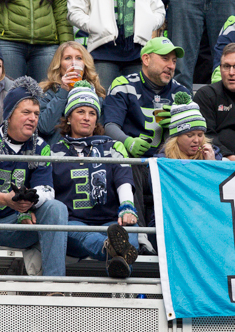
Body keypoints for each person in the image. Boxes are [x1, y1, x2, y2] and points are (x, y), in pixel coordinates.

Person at [0, 77, 68, 277]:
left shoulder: (41, 147)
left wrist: (28, 204)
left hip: (19, 226)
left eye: (36, 114)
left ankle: (54, 285)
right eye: (26, 112)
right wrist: (4, 199)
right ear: (9, 115)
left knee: (56, 208)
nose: (33, 118)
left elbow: (47, 190)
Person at [102, 36, 189, 252]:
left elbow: (192, 136)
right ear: (146, 59)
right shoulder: (123, 85)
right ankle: (139, 236)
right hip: (133, 163)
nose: (171, 66)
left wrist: (175, 127)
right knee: (132, 164)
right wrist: (128, 141)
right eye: (165, 59)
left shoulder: (181, 93)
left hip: (166, 163)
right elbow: (109, 126)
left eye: (174, 61)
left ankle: (176, 240)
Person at [51, 81, 140, 278]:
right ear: (68, 117)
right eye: (80, 112)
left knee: (129, 231)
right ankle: (112, 251)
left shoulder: (112, 147)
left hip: (112, 221)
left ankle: (117, 261)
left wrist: (127, 207)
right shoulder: (54, 152)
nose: (86, 117)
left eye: (92, 113)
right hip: (74, 223)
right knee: (85, 235)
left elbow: (123, 179)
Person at [38, 41, 107, 146]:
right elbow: (45, 127)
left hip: (87, 151)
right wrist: (63, 92)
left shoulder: (96, 94)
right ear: (59, 64)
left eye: (79, 58)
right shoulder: (47, 92)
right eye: (68, 58)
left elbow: (100, 131)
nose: (74, 63)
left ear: (85, 64)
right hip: (56, 152)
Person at [158, 92, 223, 160]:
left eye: (200, 135)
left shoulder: (213, 154)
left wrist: (212, 162)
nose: (196, 140)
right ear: (176, 137)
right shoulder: (163, 159)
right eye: (190, 135)